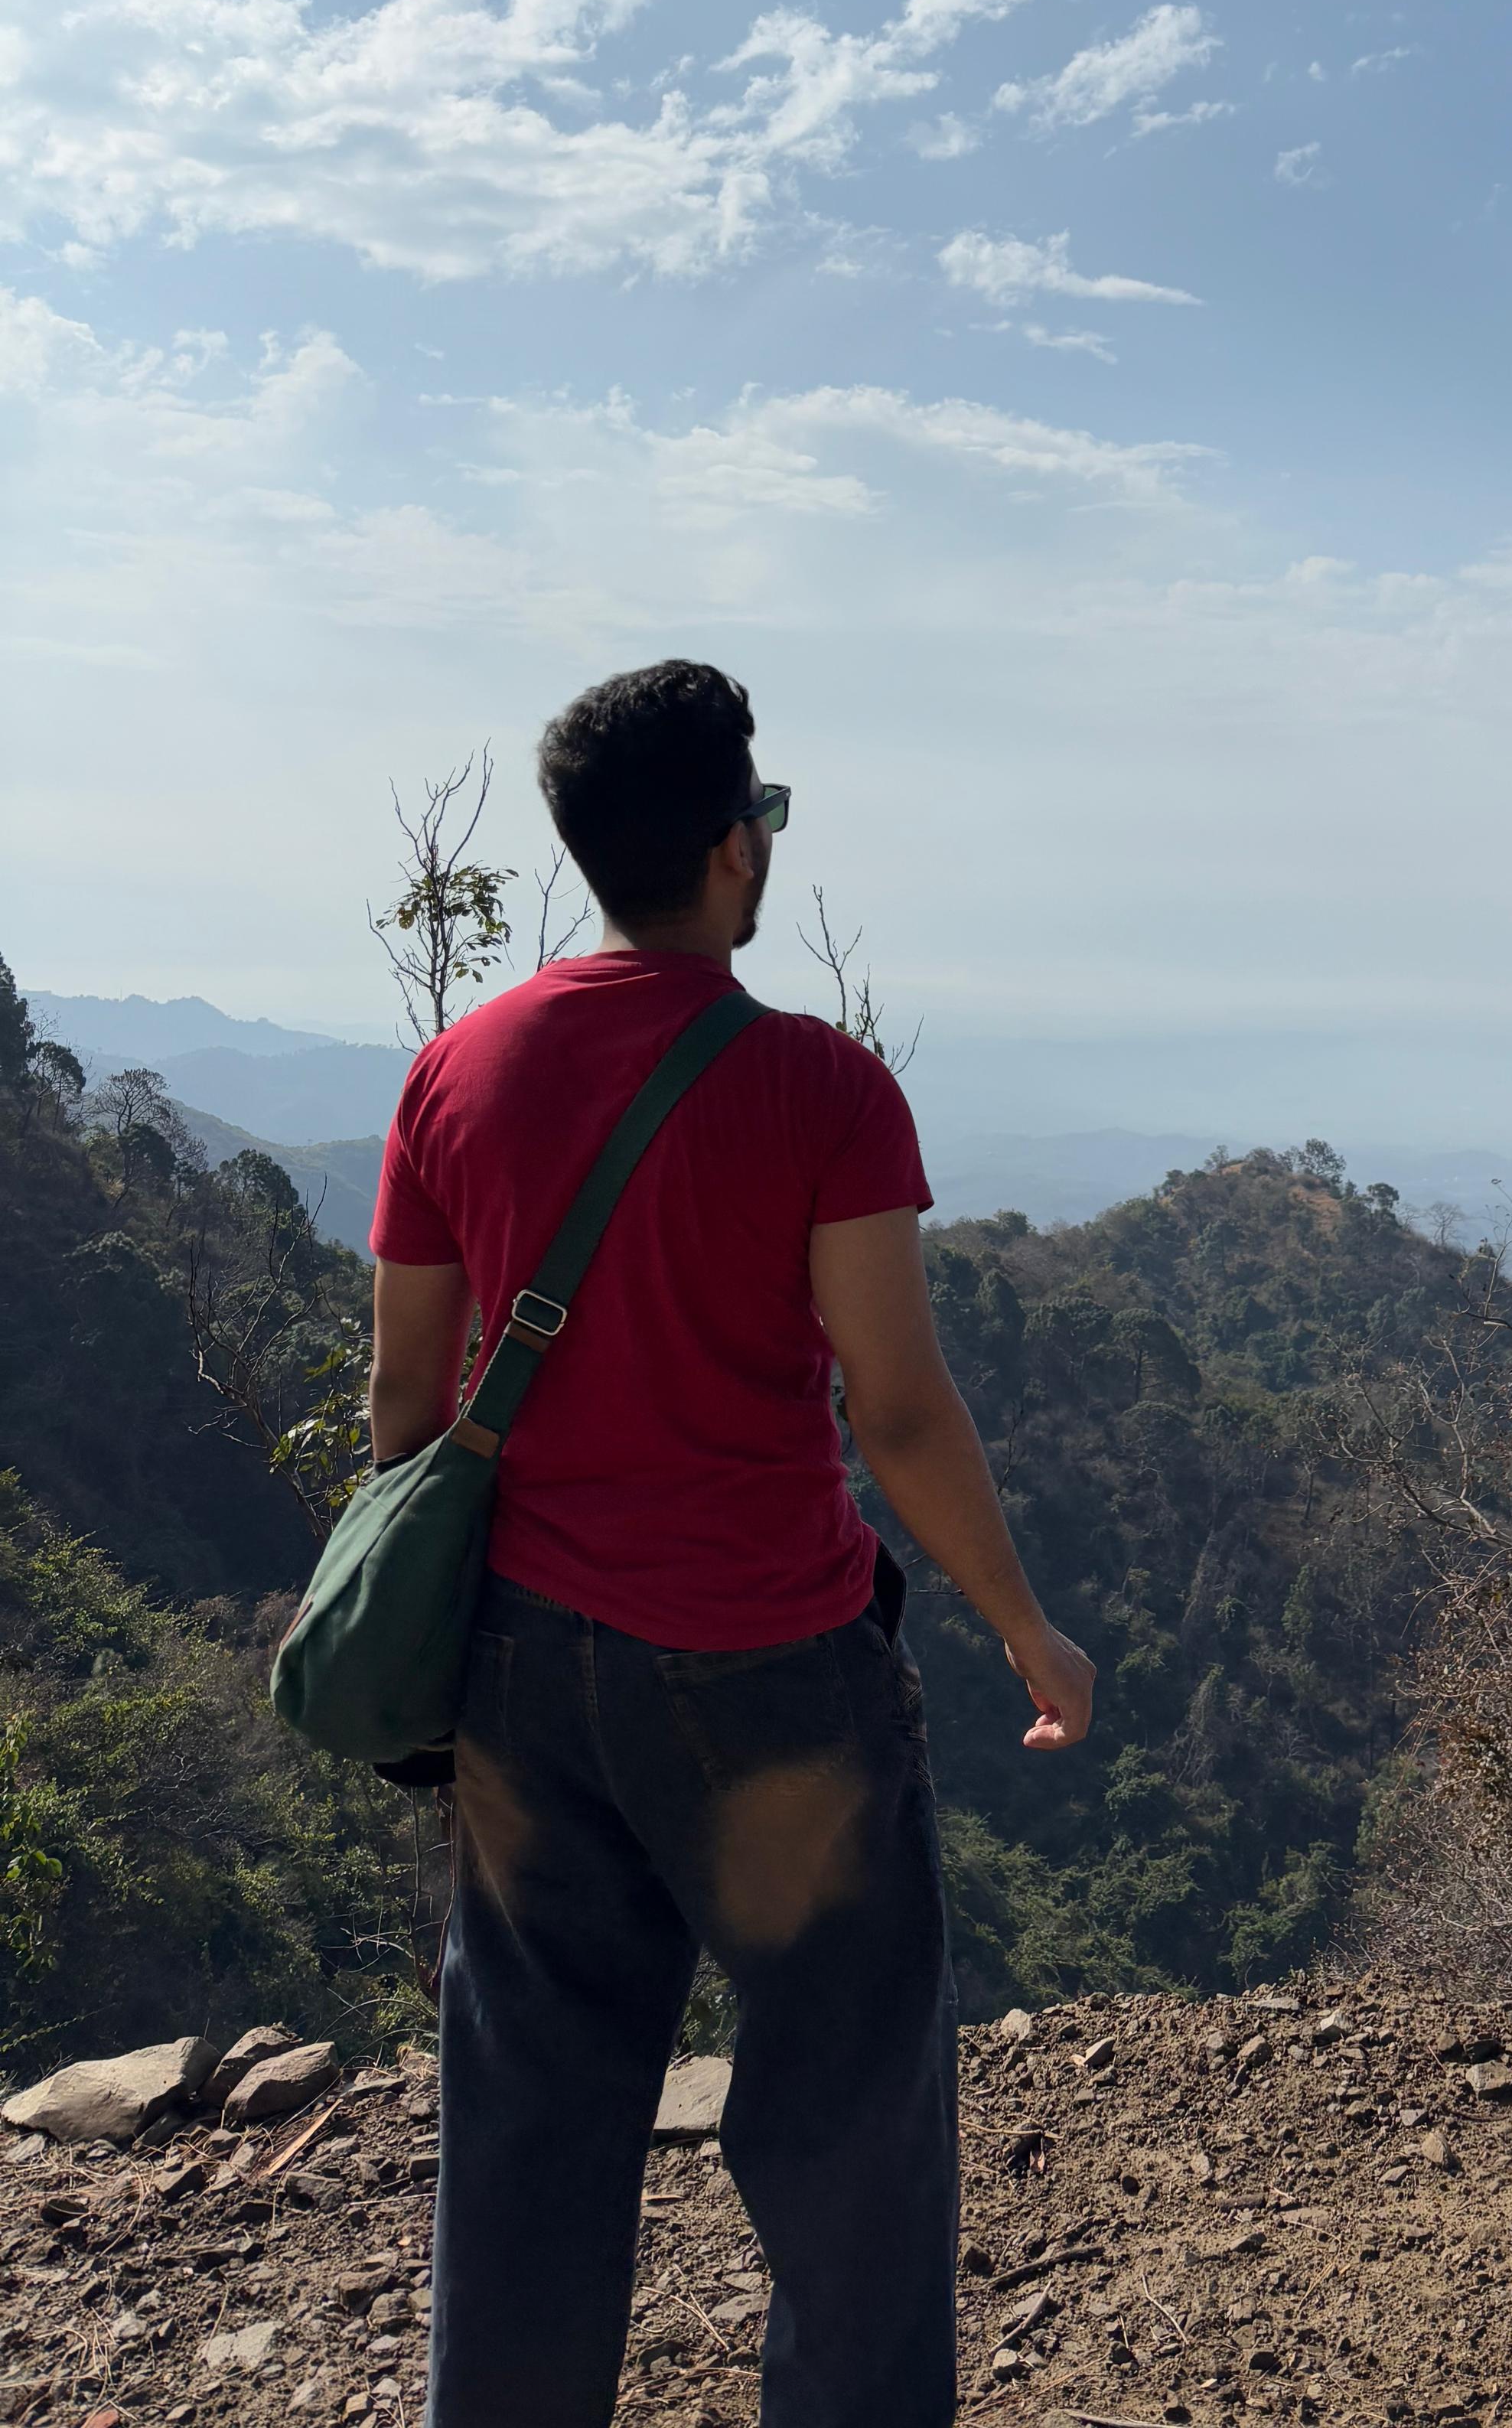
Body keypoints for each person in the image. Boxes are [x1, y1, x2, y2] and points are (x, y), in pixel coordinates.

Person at [367, 658, 1096, 2428]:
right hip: (771, 1681)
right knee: (847, 2128)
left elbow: (403, 1404)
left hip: (529, 1668)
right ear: (728, 852)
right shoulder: (817, 1091)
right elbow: (899, 1414)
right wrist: (1025, 1626)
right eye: (760, 817)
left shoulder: (454, 1073)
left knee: (531, 2120)